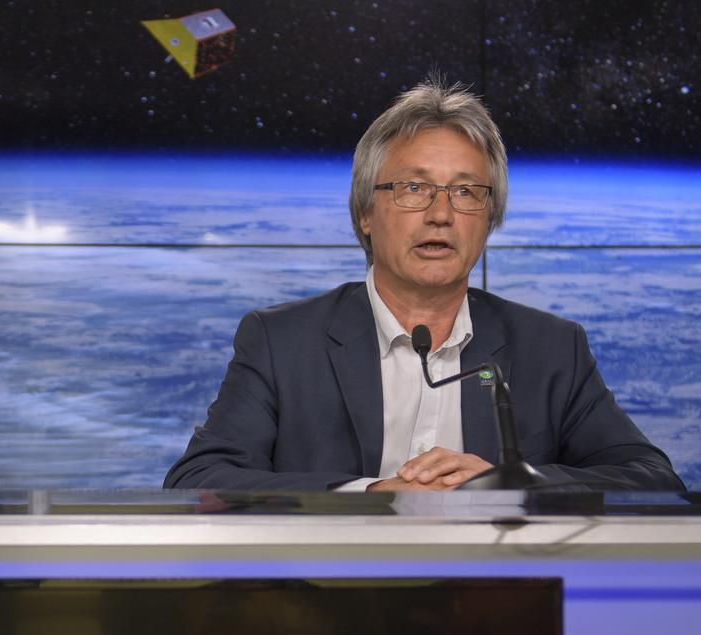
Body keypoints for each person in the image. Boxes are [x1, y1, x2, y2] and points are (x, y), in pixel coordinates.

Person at [164, 77, 683, 493]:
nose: (440, 214)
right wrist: (369, 495)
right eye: (413, 188)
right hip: (331, 599)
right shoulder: (281, 341)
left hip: (496, 604)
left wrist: (507, 484)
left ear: (489, 218)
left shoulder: (551, 347)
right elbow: (200, 480)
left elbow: (650, 478)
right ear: (367, 212)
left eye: (466, 191)